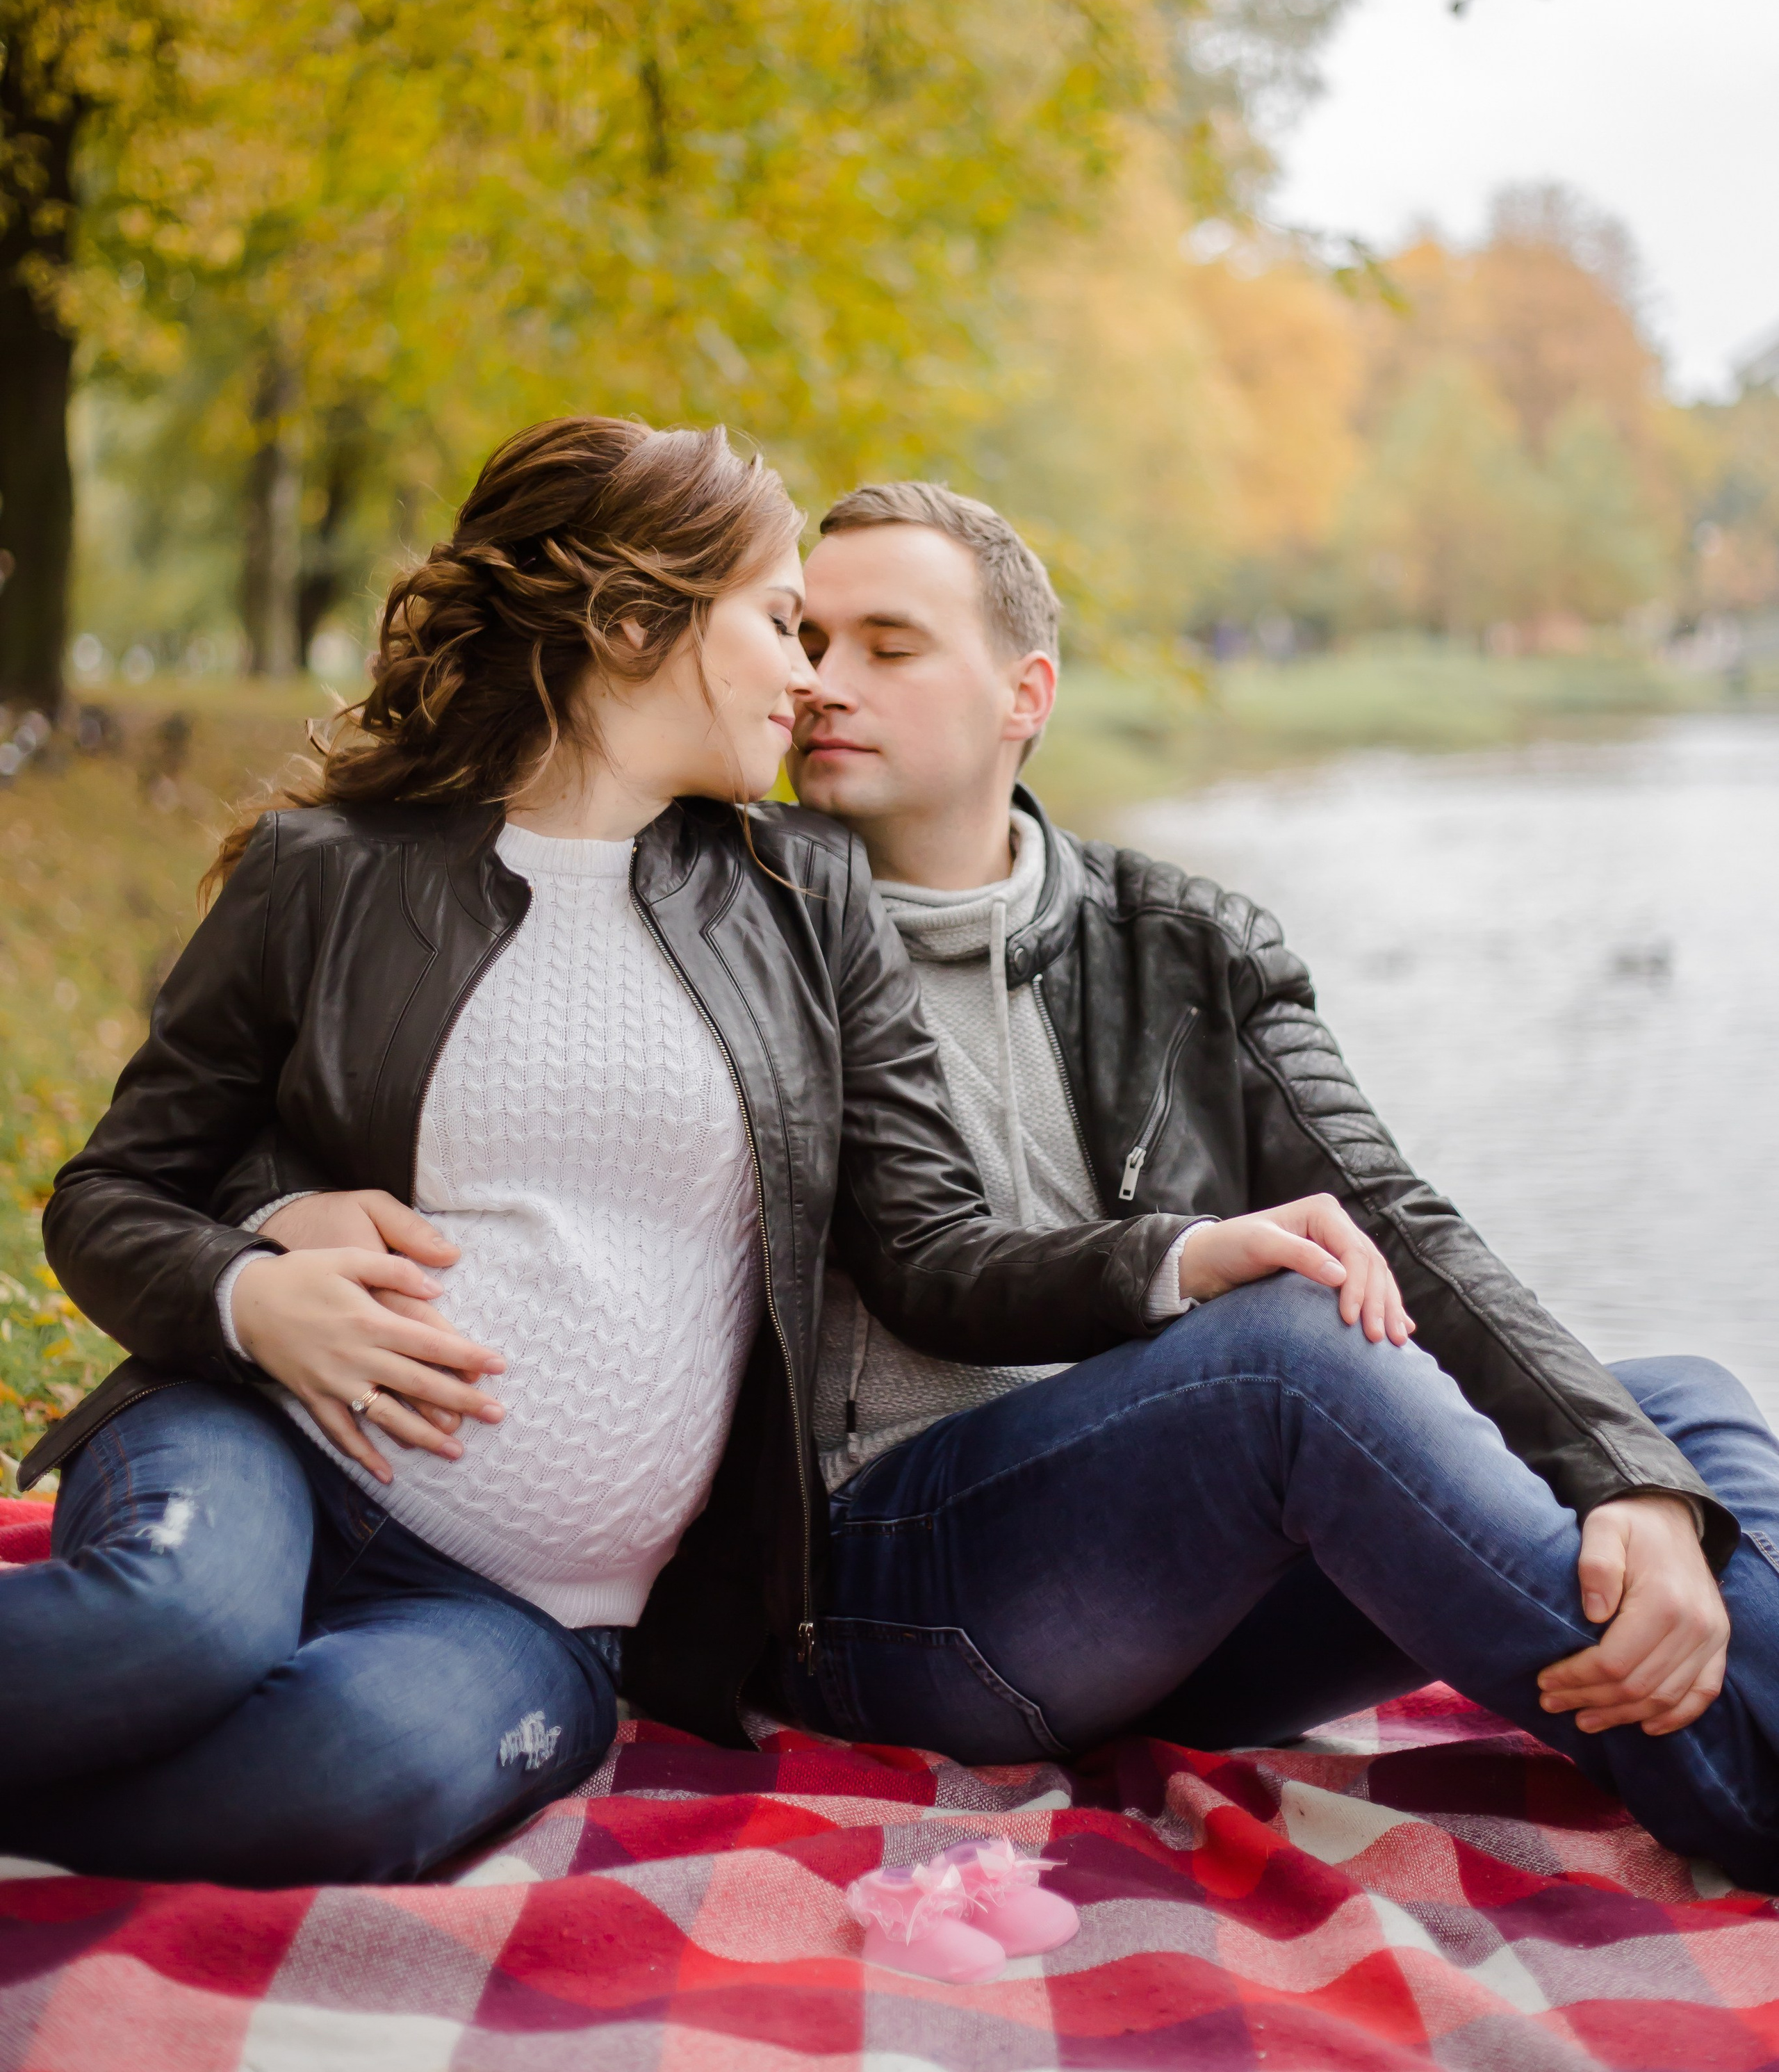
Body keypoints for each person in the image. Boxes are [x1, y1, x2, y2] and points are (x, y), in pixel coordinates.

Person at [0, 419, 1205, 1889]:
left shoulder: (801, 895)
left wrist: (1181, 1259)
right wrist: (253, 1293)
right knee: (175, 1628)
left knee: (351, 1777)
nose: (810, 678)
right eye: (777, 622)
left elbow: (928, 1249)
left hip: (532, 1614)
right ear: (634, 624)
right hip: (260, 1437)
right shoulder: (330, 873)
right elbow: (113, 1194)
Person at [781, 480, 1779, 1895]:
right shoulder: (743, 918)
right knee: (1282, 1358)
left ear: (1025, 694)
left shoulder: (1181, 940)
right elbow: (933, 1262)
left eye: (885, 644)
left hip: (1166, 1603)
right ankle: (1743, 1791)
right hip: (890, 1597)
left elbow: (1391, 1216)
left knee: (1674, 1413)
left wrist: (1625, 1485)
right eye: (803, 639)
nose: (820, 683)